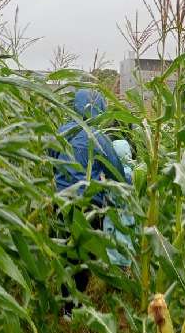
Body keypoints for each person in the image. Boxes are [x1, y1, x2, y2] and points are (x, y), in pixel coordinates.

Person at [52, 89, 129, 316]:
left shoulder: (62, 131)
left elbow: (51, 156)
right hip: (88, 204)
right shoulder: (98, 137)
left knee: (66, 251)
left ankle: (64, 301)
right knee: (85, 255)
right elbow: (115, 172)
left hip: (61, 200)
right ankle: (73, 309)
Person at [103, 139, 136, 267]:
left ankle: (118, 270)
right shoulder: (133, 172)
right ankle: (126, 267)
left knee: (114, 245)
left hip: (115, 218)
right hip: (128, 217)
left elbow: (113, 197)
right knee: (126, 243)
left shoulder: (118, 174)